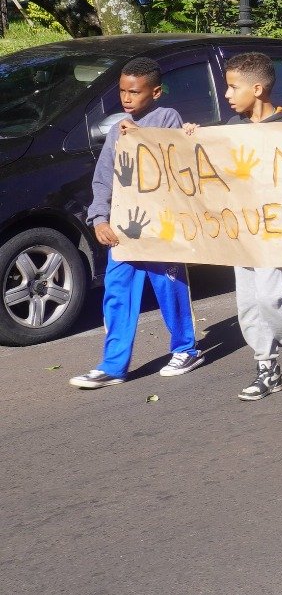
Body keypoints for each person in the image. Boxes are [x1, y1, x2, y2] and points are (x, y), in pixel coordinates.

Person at [71, 58, 203, 390]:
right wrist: (99, 218)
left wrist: (142, 136)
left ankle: (186, 349)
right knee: (117, 292)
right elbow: (103, 180)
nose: (126, 98)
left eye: (134, 91)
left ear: (155, 92)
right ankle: (113, 365)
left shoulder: (167, 117)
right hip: (125, 228)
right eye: (122, 91)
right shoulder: (118, 129)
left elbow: (173, 162)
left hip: (161, 226)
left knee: (169, 287)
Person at [219, 53, 282, 401]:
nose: (227, 94)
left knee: (269, 296)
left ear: (258, 89)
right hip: (243, 230)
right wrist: (190, 137)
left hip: (278, 229)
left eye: (234, 87)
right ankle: (266, 366)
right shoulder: (232, 128)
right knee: (247, 303)